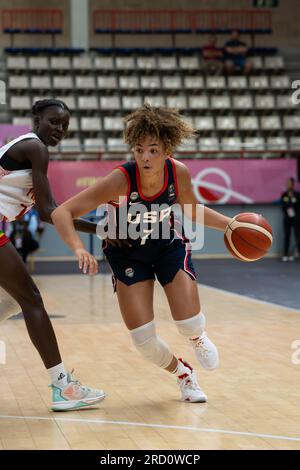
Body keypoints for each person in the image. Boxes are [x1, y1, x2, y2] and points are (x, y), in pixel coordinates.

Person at [52, 104, 233, 403]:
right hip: (127, 255)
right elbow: (62, 212)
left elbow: (191, 209)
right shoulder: (120, 179)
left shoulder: (178, 172)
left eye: (153, 150)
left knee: (187, 321)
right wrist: (78, 248)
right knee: (143, 340)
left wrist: (229, 225)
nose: (145, 157)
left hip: (166, 246)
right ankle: (184, 374)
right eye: (139, 150)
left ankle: (197, 338)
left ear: (167, 149)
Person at [0, 99, 105, 411]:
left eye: (64, 125)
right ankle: (63, 387)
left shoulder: (29, 150)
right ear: (37, 119)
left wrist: (99, 230)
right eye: (53, 121)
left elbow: (50, 214)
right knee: (31, 299)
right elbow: (49, 210)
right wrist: (99, 230)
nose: (59, 129)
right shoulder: (36, 148)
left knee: (7, 302)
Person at [281, 177, 300, 261]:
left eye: (290, 183)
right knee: (287, 236)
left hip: (296, 219)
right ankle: (285, 254)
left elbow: (298, 206)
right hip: (287, 218)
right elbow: (283, 206)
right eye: (287, 183)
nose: (288, 185)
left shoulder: (297, 194)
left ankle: (298, 253)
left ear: (293, 184)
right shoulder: (284, 195)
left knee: (297, 236)